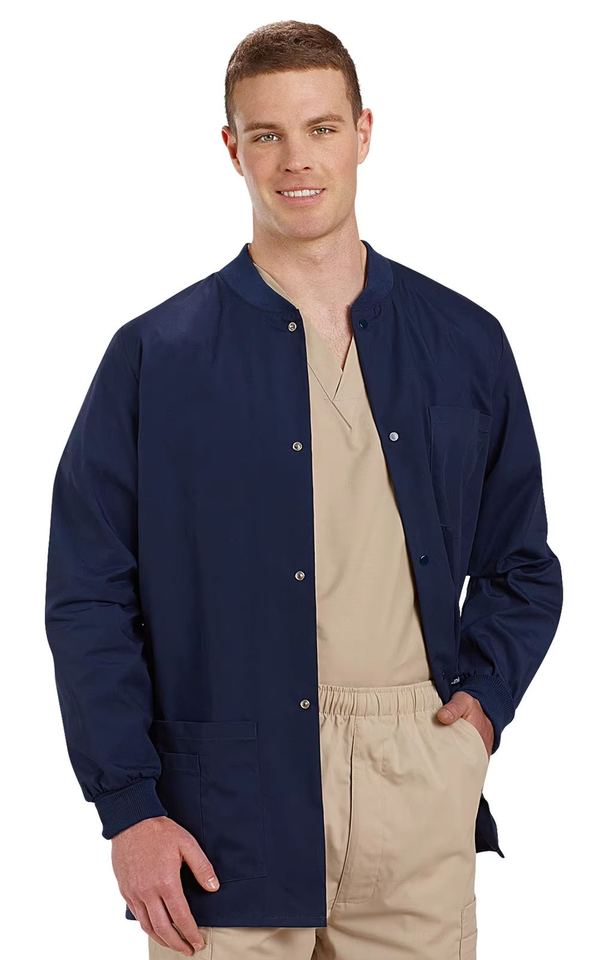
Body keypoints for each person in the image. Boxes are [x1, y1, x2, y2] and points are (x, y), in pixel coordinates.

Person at [44, 19, 563, 960]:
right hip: (220, 809)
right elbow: (88, 595)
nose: (297, 160)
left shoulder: (464, 342)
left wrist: (481, 707)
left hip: (416, 781)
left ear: (363, 132)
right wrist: (129, 807)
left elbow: (522, 563)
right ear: (231, 147)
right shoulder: (156, 358)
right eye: (267, 134)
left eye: (321, 128)